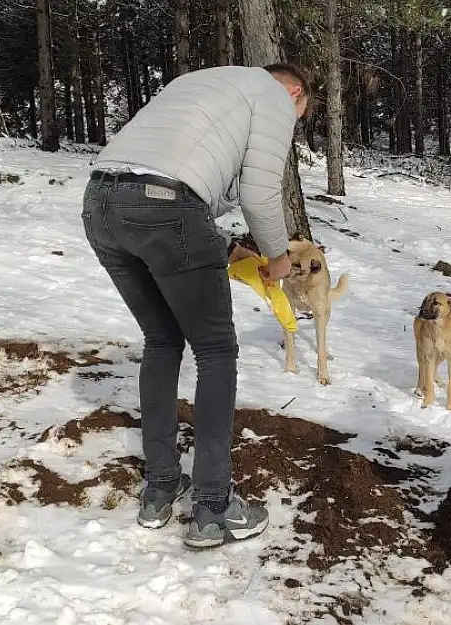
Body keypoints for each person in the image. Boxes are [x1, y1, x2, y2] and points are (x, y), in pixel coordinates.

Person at [81, 63, 310, 550]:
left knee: (162, 341)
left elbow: (198, 186)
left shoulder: (204, 82)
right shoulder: (272, 95)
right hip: (165, 207)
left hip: (101, 204)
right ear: (293, 92)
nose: (294, 121)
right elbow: (258, 191)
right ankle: (214, 506)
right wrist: (278, 258)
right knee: (215, 351)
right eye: (300, 113)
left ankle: (160, 487)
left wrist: (228, 248)